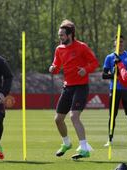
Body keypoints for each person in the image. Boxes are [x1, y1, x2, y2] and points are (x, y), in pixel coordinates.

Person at [49, 19, 99, 160]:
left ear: (70, 35)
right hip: (68, 87)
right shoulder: (59, 49)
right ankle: (66, 143)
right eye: (59, 36)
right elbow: (57, 66)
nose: (60, 38)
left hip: (81, 87)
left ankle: (84, 149)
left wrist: (86, 69)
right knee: (58, 119)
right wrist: (53, 68)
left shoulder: (82, 47)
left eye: (62, 35)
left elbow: (94, 63)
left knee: (74, 116)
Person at [102, 35, 127, 147]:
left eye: (122, 42)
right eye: (118, 42)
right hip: (114, 89)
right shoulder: (109, 57)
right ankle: (110, 140)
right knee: (112, 115)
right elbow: (104, 75)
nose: (120, 44)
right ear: (114, 43)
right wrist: (114, 75)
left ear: (124, 43)